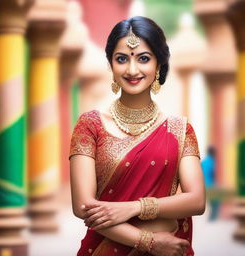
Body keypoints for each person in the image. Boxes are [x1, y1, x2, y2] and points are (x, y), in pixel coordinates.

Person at [69, 16, 205, 256]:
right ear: (111, 65)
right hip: (104, 249)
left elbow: (196, 201)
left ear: (159, 65)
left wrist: (133, 208)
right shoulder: (90, 125)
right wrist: (149, 242)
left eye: (143, 58)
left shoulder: (180, 130)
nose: (132, 70)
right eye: (122, 59)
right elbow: (83, 207)